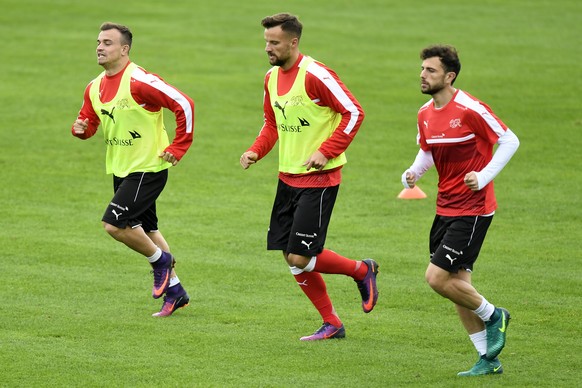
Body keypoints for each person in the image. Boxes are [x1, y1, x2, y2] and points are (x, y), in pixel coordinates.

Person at [240, 13, 378, 341]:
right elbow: (272, 123)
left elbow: (354, 111)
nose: (268, 48)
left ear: (293, 42)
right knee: (291, 257)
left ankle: (362, 270)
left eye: (274, 43)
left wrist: (327, 150)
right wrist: (256, 151)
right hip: (288, 177)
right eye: (266, 42)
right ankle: (332, 323)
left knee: (302, 255)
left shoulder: (316, 75)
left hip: (320, 179)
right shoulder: (271, 78)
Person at [401, 45, 519, 376]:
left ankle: (495, 315)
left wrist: (483, 177)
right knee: (458, 286)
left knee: (437, 277)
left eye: (431, 70)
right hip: (445, 207)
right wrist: (413, 173)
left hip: (474, 208)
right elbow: (427, 151)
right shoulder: (425, 113)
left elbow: (509, 141)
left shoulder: (470, 109)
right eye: (422, 69)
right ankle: (488, 359)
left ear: (449, 76)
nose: (423, 75)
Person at [71, 22, 195, 317]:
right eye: (99, 42)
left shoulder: (140, 81)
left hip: (147, 168)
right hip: (121, 168)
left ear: (124, 50)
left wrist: (178, 147)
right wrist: (80, 130)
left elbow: (184, 104)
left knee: (114, 224)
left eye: (108, 43)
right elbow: (89, 123)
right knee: (146, 228)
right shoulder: (94, 87)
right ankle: (176, 292)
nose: (100, 47)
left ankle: (161, 261)